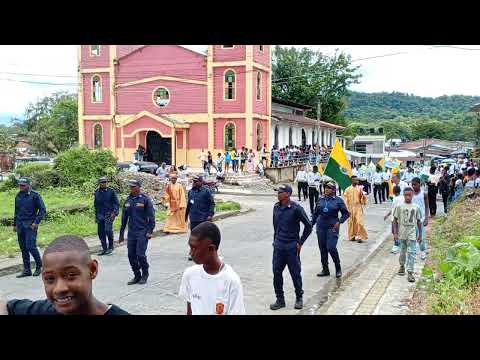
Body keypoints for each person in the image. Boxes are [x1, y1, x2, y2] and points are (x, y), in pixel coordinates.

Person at [1, 235, 129, 315]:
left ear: (92, 269)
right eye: (50, 279)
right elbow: (4, 305)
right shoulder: (46, 309)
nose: (59, 288)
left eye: (71, 275)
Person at [179, 222, 245, 315]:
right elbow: (190, 310)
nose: (190, 253)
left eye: (194, 248)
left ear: (211, 249)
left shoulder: (231, 281)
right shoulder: (190, 274)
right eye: (190, 247)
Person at [270, 185, 312, 311]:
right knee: (276, 273)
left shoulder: (296, 209)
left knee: (295, 273)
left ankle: (299, 297)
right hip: (279, 247)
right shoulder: (276, 207)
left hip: (291, 247)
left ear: (287, 194)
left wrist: (300, 242)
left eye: (280, 192)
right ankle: (280, 299)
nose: (278, 194)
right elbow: (275, 226)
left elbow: (308, 226)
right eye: (278, 192)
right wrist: (275, 241)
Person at [119, 180, 155, 285]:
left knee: (140, 255)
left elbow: (151, 217)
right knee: (131, 255)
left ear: (139, 187)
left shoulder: (145, 200)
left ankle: (145, 273)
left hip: (142, 232)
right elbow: (124, 218)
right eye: (130, 187)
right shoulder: (128, 200)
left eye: (133, 187)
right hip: (131, 232)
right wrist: (121, 234)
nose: (131, 189)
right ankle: (136, 275)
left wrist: (150, 231)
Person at [311, 182, 350, 278]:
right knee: (322, 248)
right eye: (325, 187)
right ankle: (325, 269)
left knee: (331, 247)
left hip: (332, 226)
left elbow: (346, 214)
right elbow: (316, 214)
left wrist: (339, 222)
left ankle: (338, 268)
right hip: (321, 226)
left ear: (334, 190)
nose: (326, 189)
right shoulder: (320, 199)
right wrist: (311, 224)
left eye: (329, 188)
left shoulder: (338, 200)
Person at [13, 178, 46, 278]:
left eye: (23, 185)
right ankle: (27, 270)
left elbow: (42, 210)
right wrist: (14, 224)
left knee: (30, 246)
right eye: (20, 185)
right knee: (23, 248)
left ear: (28, 185)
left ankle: (39, 266)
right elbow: (16, 211)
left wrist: (36, 222)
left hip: (30, 225)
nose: (21, 187)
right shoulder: (18, 195)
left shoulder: (35, 195)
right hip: (20, 225)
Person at [393, 187, 423, 283]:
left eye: (409, 195)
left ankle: (410, 272)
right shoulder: (399, 207)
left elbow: (419, 221)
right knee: (402, 251)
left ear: (412, 195)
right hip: (402, 233)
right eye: (406, 195)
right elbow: (395, 220)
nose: (408, 197)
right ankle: (402, 266)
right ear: (403, 195)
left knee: (412, 252)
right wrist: (395, 233)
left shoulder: (416, 207)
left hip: (412, 233)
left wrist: (420, 234)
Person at [94, 176, 119, 256]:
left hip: (109, 214)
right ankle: (104, 249)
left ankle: (111, 246)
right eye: (102, 182)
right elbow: (96, 205)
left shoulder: (111, 191)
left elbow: (116, 203)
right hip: (100, 215)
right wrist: (96, 216)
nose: (104, 183)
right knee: (100, 233)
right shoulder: (97, 192)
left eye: (105, 182)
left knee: (108, 230)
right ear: (99, 183)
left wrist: (114, 213)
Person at [343, 176, 368, 243]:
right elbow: (345, 199)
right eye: (355, 180)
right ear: (352, 181)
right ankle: (352, 236)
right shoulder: (347, 189)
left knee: (359, 222)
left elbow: (363, 200)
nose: (356, 181)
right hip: (350, 208)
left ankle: (359, 236)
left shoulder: (360, 189)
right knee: (351, 222)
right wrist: (346, 208)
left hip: (358, 207)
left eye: (357, 180)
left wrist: (363, 196)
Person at [411, 177, 429, 261]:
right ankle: (413, 253)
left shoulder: (424, 194)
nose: (413, 186)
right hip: (412, 219)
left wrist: (426, 218)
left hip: (421, 219)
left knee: (421, 237)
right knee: (412, 237)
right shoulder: (410, 194)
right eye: (412, 185)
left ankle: (422, 251)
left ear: (419, 184)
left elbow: (426, 207)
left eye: (415, 184)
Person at [384, 185, 403, 254]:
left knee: (394, 232)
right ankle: (399, 243)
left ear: (394, 192)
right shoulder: (402, 197)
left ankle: (396, 245)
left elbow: (393, 209)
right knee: (398, 231)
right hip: (401, 217)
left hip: (394, 217)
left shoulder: (396, 199)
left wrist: (387, 215)